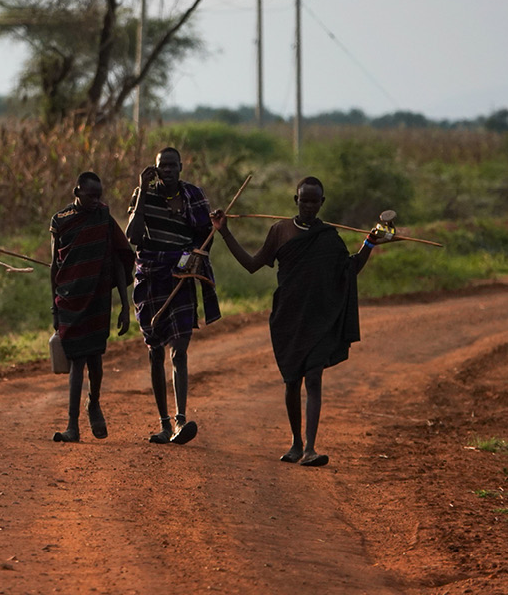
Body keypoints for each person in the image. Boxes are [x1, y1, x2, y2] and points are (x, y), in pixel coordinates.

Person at [210, 176, 387, 465]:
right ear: (296, 200)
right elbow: (252, 265)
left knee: (314, 377)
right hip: (288, 318)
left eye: (314, 200)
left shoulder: (329, 236)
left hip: (318, 318)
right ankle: (296, 443)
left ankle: (310, 450)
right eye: (303, 199)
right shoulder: (279, 231)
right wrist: (224, 232)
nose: (308, 205)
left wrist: (369, 242)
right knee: (292, 381)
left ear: (322, 203)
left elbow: (349, 268)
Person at [126, 147, 220, 445]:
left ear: (181, 167)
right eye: (161, 165)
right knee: (155, 352)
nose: (167, 169)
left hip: (180, 278)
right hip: (151, 279)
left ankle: (181, 421)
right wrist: (142, 190)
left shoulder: (194, 195)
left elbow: (206, 236)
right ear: (154, 169)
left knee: (179, 349)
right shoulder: (144, 194)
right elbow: (133, 236)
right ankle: (164, 424)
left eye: (172, 165)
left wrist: (198, 252)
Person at [49, 172, 135, 443]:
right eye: (91, 195)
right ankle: (72, 426)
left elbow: (119, 262)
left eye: (100, 195)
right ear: (77, 191)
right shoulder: (60, 221)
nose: (97, 200)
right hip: (70, 300)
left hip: (98, 299)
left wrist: (124, 305)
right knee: (77, 363)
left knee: (96, 363)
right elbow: (55, 265)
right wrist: (54, 307)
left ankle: (93, 403)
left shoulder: (103, 217)